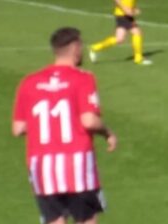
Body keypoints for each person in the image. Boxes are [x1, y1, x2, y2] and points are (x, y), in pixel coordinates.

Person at [13, 27, 116, 224]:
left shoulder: (29, 82)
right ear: (76, 48)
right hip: (77, 163)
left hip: (42, 166)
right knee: (86, 219)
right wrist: (108, 133)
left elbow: (18, 128)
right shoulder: (83, 78)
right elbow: (89, 120)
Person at [88, 0, 151, 66]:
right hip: (122, 14)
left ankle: (95, 48)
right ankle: (138, 58)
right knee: (137, 32)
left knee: (119, 38)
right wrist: (125, 9)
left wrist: (133, 9)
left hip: (125, 14)